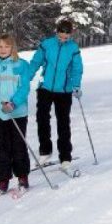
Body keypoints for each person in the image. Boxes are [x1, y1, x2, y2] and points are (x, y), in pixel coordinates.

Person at [0, 34, 38, 194]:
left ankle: (22, 177)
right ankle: (3, 180)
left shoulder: (21, 65)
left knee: (18, 145)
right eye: (0, 47)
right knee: (2, 147)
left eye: (6, 47)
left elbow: (24, 88)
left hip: (17, 112)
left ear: (12, 48)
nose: (3, 50)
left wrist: (13, 103)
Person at [29, 19, 85, 172]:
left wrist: (76, 85)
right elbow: (35, 62)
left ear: (70, 35)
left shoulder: (73, 48)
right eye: (61, 36)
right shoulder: (47, 45)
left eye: (66, 37)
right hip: (45, 87)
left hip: (64, 90)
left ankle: (65, 156)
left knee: (63, 123)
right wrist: (27, 76)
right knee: (42, 119)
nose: (63, 39)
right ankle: (45, 151)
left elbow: (76, 68)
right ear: (57, 32)